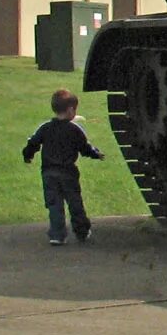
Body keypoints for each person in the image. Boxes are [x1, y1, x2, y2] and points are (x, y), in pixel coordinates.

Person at [22, 88, 104, 246]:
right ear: (71, 110)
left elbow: (33, 143)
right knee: (75, 202)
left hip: (48, 173)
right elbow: (84, 147)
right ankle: (82, 231)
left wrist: (28, 155)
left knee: (54, 204)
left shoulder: (45, 128)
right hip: (68, 173)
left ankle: (57, 235)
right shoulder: (75, 129)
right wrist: (96, 154)